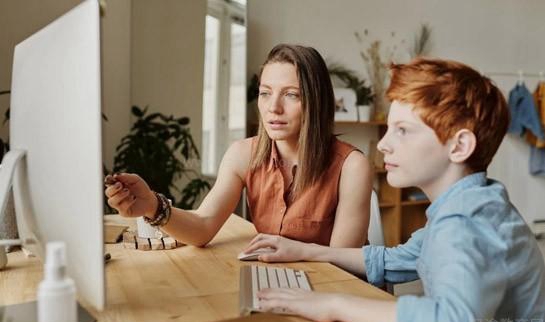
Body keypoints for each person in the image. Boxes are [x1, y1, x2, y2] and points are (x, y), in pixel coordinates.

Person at [245, 58, 545, 322]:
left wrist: (334, 305)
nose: (384, 144)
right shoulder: (468, 205)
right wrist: (304, 250)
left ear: (460, 146)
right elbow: (392, 261)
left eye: (402, 130)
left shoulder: (466, 222)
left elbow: (453, 317)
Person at [105, 44, 373, 248]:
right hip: (277, 285)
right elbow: (203, 226)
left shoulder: (352, 166)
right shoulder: (243, 154)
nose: (273, 107)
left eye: (291, 95)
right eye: (265, 93)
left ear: (317, 102)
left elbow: (342, 265)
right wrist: (152, 205)